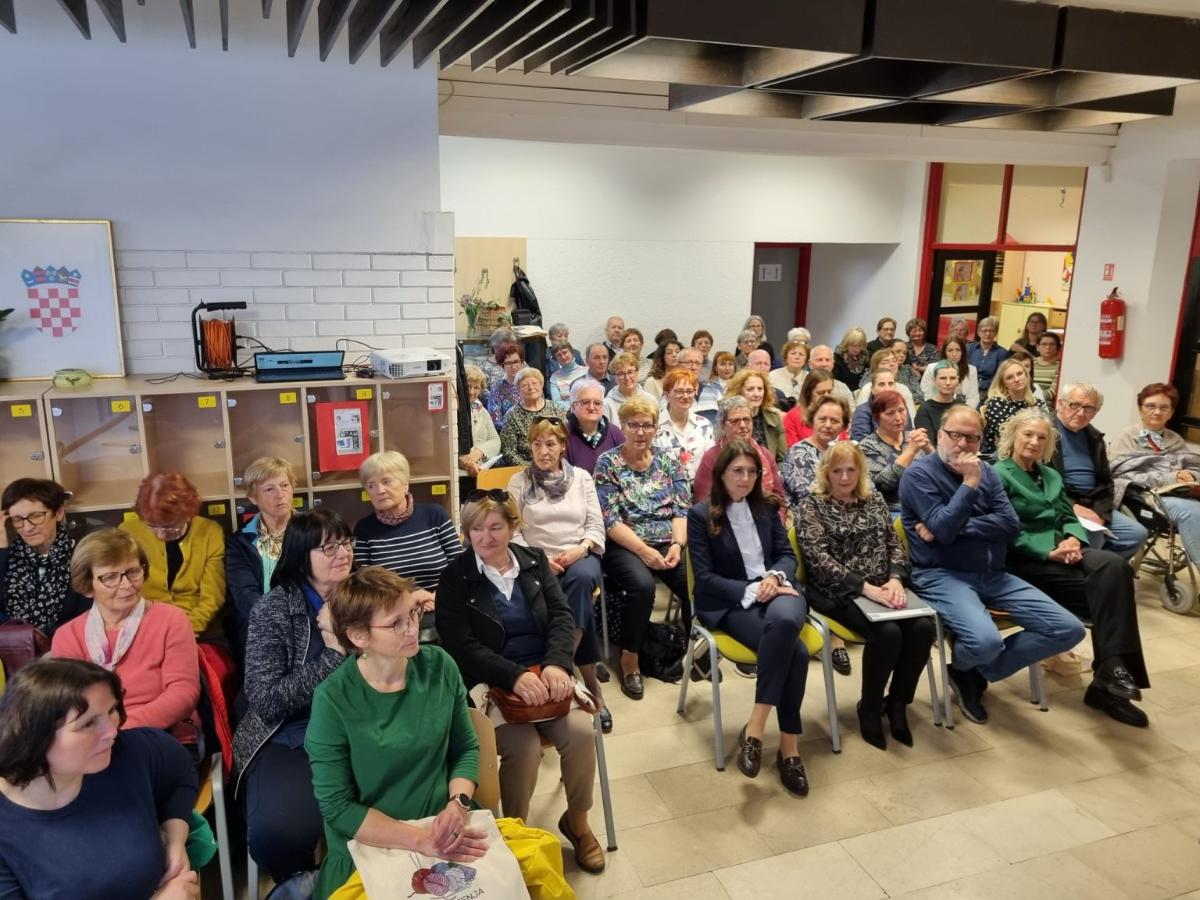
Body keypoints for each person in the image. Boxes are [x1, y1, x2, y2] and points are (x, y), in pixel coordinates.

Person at [436, 491, 605, 873]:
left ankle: (577, 824)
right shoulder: (455, 577)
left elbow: (562, 617)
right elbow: (461, 646)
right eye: (476, 529)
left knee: (582, 733)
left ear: (513, 527)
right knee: (523, 748)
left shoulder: (534, 562)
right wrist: (512, 675)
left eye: (495, 527)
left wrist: (558, 664)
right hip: (492, 682)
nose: (485, 536)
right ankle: (516, 832)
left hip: (548, 675)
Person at [898, 405, 1085, 724]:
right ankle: (974, 660)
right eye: (955, 435)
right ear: (940, 435)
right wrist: (969, 484)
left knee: (1068, 629)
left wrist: (955, 526)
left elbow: (1010, 525)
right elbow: (943, 529)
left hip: (993, 574)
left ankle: (969, 670)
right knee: (985, 641)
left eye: (972, 437)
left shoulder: (987, 471)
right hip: (942, 574)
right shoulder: (919, 475)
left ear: (980, 440)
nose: (962, 444)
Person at [305, 569, 485, 899]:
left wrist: (458, 804)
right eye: (395, 624)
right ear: (359, 636)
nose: (413, 628)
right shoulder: (332, 699)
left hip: (444, 825)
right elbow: (339, 807)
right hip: (371, 844)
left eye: (412, 614)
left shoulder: (439, 666)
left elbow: (465, 749)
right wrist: (420, 840)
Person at [994, 410, 1150, 727]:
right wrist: (1048, 552)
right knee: (1114, 597)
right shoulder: (998, 474)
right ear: (1012, 437)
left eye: (1041, 437)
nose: (1034, 442)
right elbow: (1004, 529)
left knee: (1116, 567)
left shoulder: (1051, 475)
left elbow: (1068, 516)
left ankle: (1110, 673)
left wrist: (1073, 539)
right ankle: (1110, 681)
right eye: (1028, 434)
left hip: (1065, 550)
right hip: (1027, 560)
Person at [0, 659, 200, 900]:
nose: (111, 732)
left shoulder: (124, 753)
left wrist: (175, 838)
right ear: (34, 735)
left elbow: (181, 771)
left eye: (111, 711)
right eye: (87, 724)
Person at [232, 509, 352, 884]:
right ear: (301, 557)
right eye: (329, 547)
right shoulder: (274, 608)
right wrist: (333, 656)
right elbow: (266, 700)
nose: (343, 553)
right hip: (292, 732)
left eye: (346, 543)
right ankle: (305, 884)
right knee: (278, 833)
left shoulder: (363, 596)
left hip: (362, 723)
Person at [687, 442, 809, 795]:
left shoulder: (767, 507)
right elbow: (704, 577)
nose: (745, 478)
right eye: (737, 471)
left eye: (752, 472)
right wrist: (754, 589)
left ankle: (756, 727)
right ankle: (789, 748)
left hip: (780, 590)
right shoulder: (700, 515)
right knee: (796, 653)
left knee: (785, 624)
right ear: (721, 474)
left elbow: (786, 555)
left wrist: (774, 578)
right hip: (734, 601)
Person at [798, 442, 934, 750]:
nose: (845, 477)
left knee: (923, 629)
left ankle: (897, 703)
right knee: (888, 634)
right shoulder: (812, 505)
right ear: (826, 473)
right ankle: (870, 707)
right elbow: (818, 559)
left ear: (860, 471)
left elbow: (893, 543)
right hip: (837, 590)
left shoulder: (874, 500)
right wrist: (866, 588)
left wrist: (896, 579)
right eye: (837, 471)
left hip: (884, 586)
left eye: (851, 470)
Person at [509, 417, 611, 732]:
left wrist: (581, 549)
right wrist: (540, 560)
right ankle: (592, 688)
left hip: (579, 556)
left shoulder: (581, 478)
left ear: (563, 446)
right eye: (537, 444)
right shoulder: (518, 482)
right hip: (536, 561)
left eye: (550, 444)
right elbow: (513, 532)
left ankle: (560, 665)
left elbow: (595, 524)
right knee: (575, 605)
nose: (543, 451)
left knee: (580, 580)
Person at [52, 528, 199, 733]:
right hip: (94, 735)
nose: (127, 585)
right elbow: (69, 703)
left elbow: (184, 693)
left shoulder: (171, 620)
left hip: (161, 732)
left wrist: (120, 729)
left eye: (133, 572)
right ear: (87, 586)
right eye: (110, 577)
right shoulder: (68, 636)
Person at [593, 396, 691, 701]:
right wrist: (644, 551)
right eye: (633, 425)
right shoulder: (607, 463)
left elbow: (682, 509)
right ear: (622, 427)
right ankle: (630, 659)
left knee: (695, 581)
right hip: (624, 542)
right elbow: (609, 520)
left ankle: (693, 649)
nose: (640, 432)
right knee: (643, 585)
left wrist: (677, 545)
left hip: (667, 540)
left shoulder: (669, 460)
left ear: (656, 428)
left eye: (646, 425)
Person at [354, 451, 461, 641]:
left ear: (405, 484)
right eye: (371, 485)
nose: (379, 490)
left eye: (387, 481)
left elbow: (460, 566)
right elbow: (367, 583)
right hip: (395, 619)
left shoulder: (435, 515)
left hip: (445, 607)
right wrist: (410, 600)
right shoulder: (364, 529)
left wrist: (437, 597)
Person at [1050, 383, 1149, 561]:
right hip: (1060, 502)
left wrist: (1101, 513)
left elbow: (1106, 482)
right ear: (1061, 403)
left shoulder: (1094, 438)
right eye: (1075, 405)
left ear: (1096, 412)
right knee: (1093, 535)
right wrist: (1071, 506)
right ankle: (1089, 570)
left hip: (1092, 504)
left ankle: (1103, 566)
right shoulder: (1045, 432)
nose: (1081, 413)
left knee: (1136, 534)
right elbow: (1038, 480)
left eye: (1089, 408)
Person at [120, 473, 225, 638]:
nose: (160, 534)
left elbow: (212, 598)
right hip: (144, 623)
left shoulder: (210, 532)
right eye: (152, 526)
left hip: (197, 622)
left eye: (169, 526)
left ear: (188, 515)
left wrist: (185, 631)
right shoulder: (128, 532)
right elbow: (123, 591)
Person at [1109, 382, 1200, 572]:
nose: (1157, 412)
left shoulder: (1175, 439)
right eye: (1150, 406)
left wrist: (1190, 474)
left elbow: (1192, 465)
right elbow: (1121, 474)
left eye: (1164, 407)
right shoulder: (1126, 437)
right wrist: (1171, 477)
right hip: (1143, 496)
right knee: (1192, 511)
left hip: (1178, 493)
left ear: (1171, 413)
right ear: (1140, 409)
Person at [0, 478, 88, 636]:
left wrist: (39, 636)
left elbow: (87, 618)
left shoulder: (82, 557)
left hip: (66, 645)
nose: (27, 527)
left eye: (36, 516)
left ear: (58, 513)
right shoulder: (7, 557)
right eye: (17, 519)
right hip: (12, 648)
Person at [227, 456, 297, 655]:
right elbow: (245, 596)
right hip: (260, 629)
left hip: (306, 623)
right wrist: (275, 626)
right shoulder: (239, 542)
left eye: (285, 485)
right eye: (269, 489)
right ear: (253, 498)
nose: (280, 495)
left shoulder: (313, 530)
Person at [694, 396, 786, 515]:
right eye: (735, 421)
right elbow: (703, 501)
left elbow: (779, 498)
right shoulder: (712, 457)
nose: (742, 425)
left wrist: (775, 522)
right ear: (723, 425)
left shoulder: (765, 455)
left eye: (747, 419)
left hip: (765, 519)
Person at [858, 390, 931, 513]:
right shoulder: (868, 446)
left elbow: (939, 471)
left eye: (901, 410)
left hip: (925, 503)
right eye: (890, 413)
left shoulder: (912, 437)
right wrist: (910, 452)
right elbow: (882, 485)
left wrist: (929, 448)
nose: (898, 418)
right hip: (894, 510)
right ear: (877, 417)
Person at [782, 395, 851, 522]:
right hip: (812, 520)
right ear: (812, 420)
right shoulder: (798, 453)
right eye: (822, 419)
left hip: (848, 514)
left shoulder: (848, 453)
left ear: (843, 426)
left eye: (834, 421)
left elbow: (867, 487)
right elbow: (808, 497)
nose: (828, 425)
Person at [654, 369, 715, 483]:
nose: (686, 396)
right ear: (667, 395)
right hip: (666, 490)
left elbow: (711, 463)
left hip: (699, 488)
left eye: (690, 391)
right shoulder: (653, 427)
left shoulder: (704, 425)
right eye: (679, 391)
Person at [499, 367, 569, 466]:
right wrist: (533, 467)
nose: (531, 388)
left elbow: (566, 439)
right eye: (525, 385)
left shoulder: (555, 408)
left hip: (557, 464)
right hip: (526, 468)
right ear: (518, 389)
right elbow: (508, 452)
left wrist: (557, 464)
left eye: (534, 383)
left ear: (541, 385)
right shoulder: (512, 415)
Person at [980, 358, 1048, 458]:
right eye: (1010, 377)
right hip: (1000, 455)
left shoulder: (1038, 403)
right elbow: (1007, 435)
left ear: (1026, 375)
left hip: (1032, 452)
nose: (1016, 379)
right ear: (1004, 383)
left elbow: (1045, 432)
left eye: (1019, 374)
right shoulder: (997, 402)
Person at [725, 368, 786, 463]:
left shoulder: (774, 418)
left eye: (760, 389)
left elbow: (782, 459)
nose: (757, 394)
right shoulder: (727, 418)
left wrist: (771, 470)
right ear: (739, 392)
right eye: (750, 389)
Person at [566, 379, 625, 474]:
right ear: (573, 406)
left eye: (597, 403)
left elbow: (626, 470)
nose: (592, 407)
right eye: (585, 402)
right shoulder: (563, 435)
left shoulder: (615, 433)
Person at [459, 364, 502, 476]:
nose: (471, 392)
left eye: (476, 388)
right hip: (459, 473)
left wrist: (479, 452)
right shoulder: (453, 411)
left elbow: (495, 440)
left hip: (482, 470)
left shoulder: (482, 410)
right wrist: (467, 462)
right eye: (468, 386)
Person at [850, 368, 910, 442]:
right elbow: (862, 442)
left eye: (891, 384)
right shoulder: (862, 411)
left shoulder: (901, 408)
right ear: (872, 389)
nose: (887, 388)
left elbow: (908, 435)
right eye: (881, 384)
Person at [919, 337, 980, 408]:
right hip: (935, 408)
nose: (954, 354)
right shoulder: (931, 368)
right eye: (950, 350)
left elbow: (973, 397)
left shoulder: (971, 370)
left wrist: (963, 412)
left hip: (963, 409)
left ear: (963, 352)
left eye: (958, 350)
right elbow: (926, 395)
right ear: (944, 352)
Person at [853, 349, 917, 415]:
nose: (892, 364)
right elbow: (860, 415)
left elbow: (912, 416)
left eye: (894, 361)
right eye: (885, 362)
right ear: (876, 367)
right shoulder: (867, 389)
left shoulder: (904, 389)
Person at [784, 370, 836, 447]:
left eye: (829, 392)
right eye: (821, 393)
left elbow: (844, 445)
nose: (827, 397)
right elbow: (792, 449)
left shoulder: (838, 415)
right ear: (808, 393)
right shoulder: (792, 417)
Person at [604, 351, 652, 425]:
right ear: (615, 377)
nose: (627, 377)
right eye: (621, 374)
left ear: (637, 373)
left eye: (630, 372)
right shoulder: (607, 405)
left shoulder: (650, 400)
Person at [914, 362, 961, 437]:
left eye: (952, 378)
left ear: (958, 380)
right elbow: (927, 441)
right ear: (935, 381)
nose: (948, 383)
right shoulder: (925, 410)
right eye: (943, 378)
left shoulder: (963, 408)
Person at [486, 341, 525, 430]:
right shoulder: (496, 388)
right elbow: (495, 422)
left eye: (516, 362)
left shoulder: (531, 382)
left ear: (521, 362)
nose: (513, 366)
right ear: (502, 365)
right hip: (508, 433)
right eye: (508, 363)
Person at [966, 316, 1008, 395]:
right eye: (984, 330)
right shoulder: (969, 348)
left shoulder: (1002, 353)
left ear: (995, 333)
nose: (988, 334)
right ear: (979, 332)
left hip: (989, 392)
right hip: (968, 389)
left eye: (991, 331)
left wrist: (981, 385)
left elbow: (999, 377)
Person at [768, 340, 810, 409]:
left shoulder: (810, 377)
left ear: (806, 360)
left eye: (801, 354)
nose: (797, 357)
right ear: (786, 357)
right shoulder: (772, 376)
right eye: (793, 353)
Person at [1032, 332, 1062, 402]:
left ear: (1057, 348)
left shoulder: (1060, 367)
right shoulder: (1029, 363)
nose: (1048, 347)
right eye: (1044, 344)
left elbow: (1052, 392)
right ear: (1037, 347)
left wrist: (1032, 397)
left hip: (1047, 405)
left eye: (1052, 344)